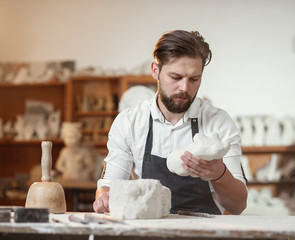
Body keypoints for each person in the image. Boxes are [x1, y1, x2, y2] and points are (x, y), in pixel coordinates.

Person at [93, 30, 247, 215]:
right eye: (175, 77)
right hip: (149, 231)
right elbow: (108, 186)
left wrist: (219, 174)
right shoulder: (129, 122)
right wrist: (105, 198)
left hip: (204, 231)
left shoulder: (218, 123)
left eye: (194, 79)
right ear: (155, 71)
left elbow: (238, 205)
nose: (184, 87)